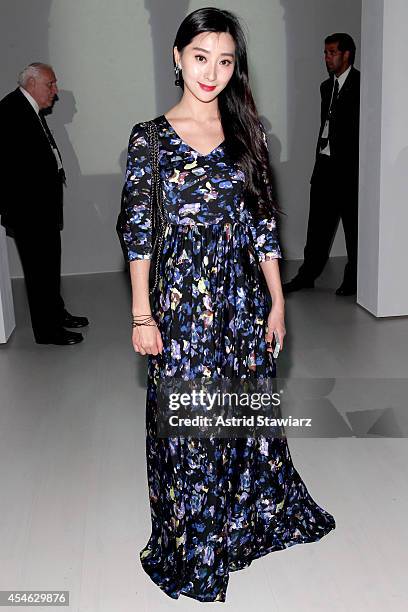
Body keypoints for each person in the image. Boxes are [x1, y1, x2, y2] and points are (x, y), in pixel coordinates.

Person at [117, 8, 335, 602]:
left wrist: (277, 302)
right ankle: (192, 542)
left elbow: (262, 225)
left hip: (241, 304)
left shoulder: (247, 133)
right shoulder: (150, 138)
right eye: (200, 57)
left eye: (225, 60)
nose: (211, 72)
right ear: (177, 57)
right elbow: (138, 234)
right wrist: (142, 314)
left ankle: (238, 522)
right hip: (181, 309)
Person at [0, 63, 89, 344]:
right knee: (39, 271)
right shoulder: (12, 109)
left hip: (42, 209)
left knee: (48, 266)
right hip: (29, 211)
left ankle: (57, 314)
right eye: (50, 84)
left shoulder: (29, 109)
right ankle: (47, 331)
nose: (55, 90)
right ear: (31, 83)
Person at [283, 33, 360, 296]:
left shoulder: (362, 85)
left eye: (332, 53)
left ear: (346, 54)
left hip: (348, 171)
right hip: (324, 167)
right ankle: (307, 275)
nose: (327, 58)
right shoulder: (326, 87)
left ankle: (353, 279)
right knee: (316, 227)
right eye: (325, 53)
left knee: (353, 229)